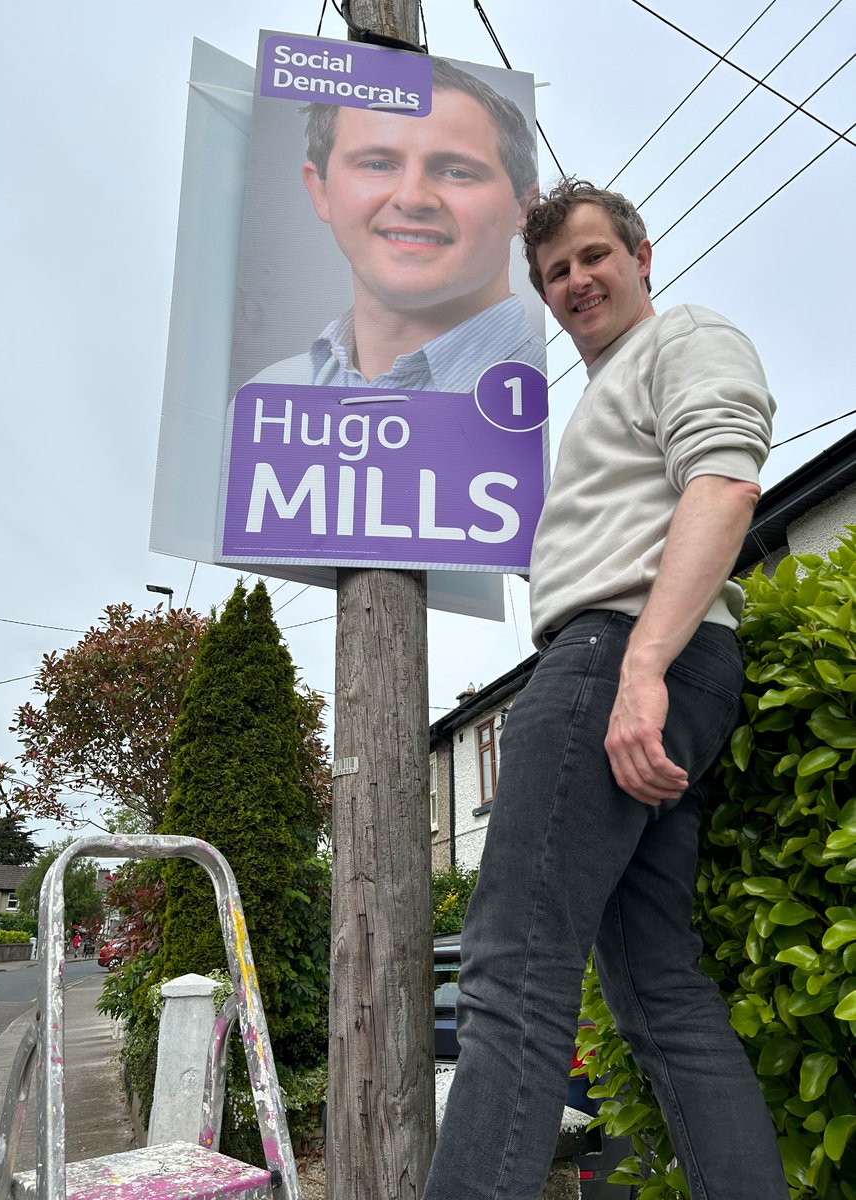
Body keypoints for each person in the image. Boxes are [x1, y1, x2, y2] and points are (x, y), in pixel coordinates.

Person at [422, 178, 789, 1200]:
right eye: (555, 272)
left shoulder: (686, 337)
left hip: (620, 658)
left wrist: (637, 673)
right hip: (655, 662)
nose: (576, 280)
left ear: (642, 257)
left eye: (594, 256)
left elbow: (725, 482)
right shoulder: (609, 388)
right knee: (659, 992)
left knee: (511, 977)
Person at [249, 58, 545, 394]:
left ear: (523, 208)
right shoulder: (266, 396)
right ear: (320, 190)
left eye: (457, 172)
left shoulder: (556, 409)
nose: (412, 198)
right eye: (377, 164)